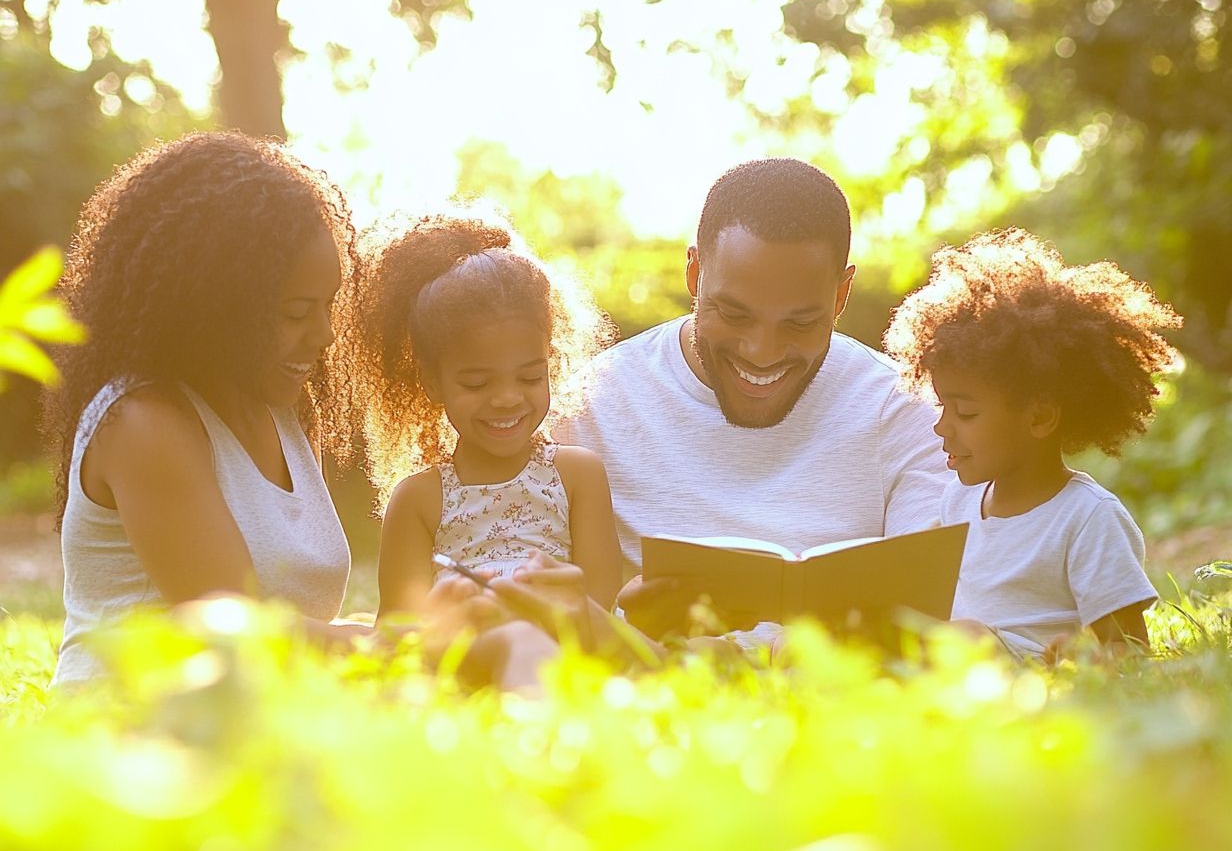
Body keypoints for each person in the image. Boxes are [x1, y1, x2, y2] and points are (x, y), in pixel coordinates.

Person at [44, 133, 533, 688]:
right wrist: (385, 644)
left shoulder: (281, 411)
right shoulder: (143, 422)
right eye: (297, 313)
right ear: (214, 304)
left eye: (328, 306)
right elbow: (227, 627)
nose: (324, 336)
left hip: (261, 719)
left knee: (503, 656)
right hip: (134, 736)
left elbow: (299, 635)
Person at [554, 158, 951, 641]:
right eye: (734, 315)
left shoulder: (905, 410)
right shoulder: (589, 405)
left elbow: (933, 623)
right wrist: (625, 626)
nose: (761, 353)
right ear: (696, 274)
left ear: (841, 294)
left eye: (800, 323)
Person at [882, 228, 1180, 658]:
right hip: (953, 666)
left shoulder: (1087, 518)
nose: (942, 427)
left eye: (965, 413)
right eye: (942, 407)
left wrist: (1081, 661)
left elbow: (1127, 647)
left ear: (1039, 416)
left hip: (1019, 672)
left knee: (964, 638)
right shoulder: (958, 501)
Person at [327, 209, 624, 627]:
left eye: (529, 376)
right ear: (432, 382)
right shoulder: (419, 499)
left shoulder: (577, 475)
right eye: (477, 383)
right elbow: (398, 628)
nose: (506, 399)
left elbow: (600, 605)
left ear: (549, 364)